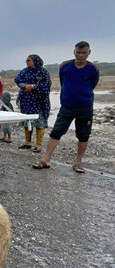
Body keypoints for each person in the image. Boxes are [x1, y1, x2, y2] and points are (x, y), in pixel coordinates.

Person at [35, 41, 99, 173]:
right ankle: (46, 159)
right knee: (56, 132)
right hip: (67, 106)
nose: (80, 55)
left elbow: (92, 85)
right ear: (74, 52)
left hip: (85, 106)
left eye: (83, 52)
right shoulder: (65, 66)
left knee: (83, 135)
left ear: (89, 52)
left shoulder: (93, 69)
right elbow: (63, 81)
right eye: (78, 52)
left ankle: (78, 162)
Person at [15, 54, 51, 153]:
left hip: (40, 101)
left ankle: (38, 145)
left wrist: (33, 86)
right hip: (26, 100)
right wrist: (25, 86)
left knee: (40, 122)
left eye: (29, 60)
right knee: (27, 121)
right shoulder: (24, 71)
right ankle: (28, 143)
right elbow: (17, 80)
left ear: (35, 61)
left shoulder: (43, 72)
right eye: (26, 60)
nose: (27, 62)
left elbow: (46, 85)